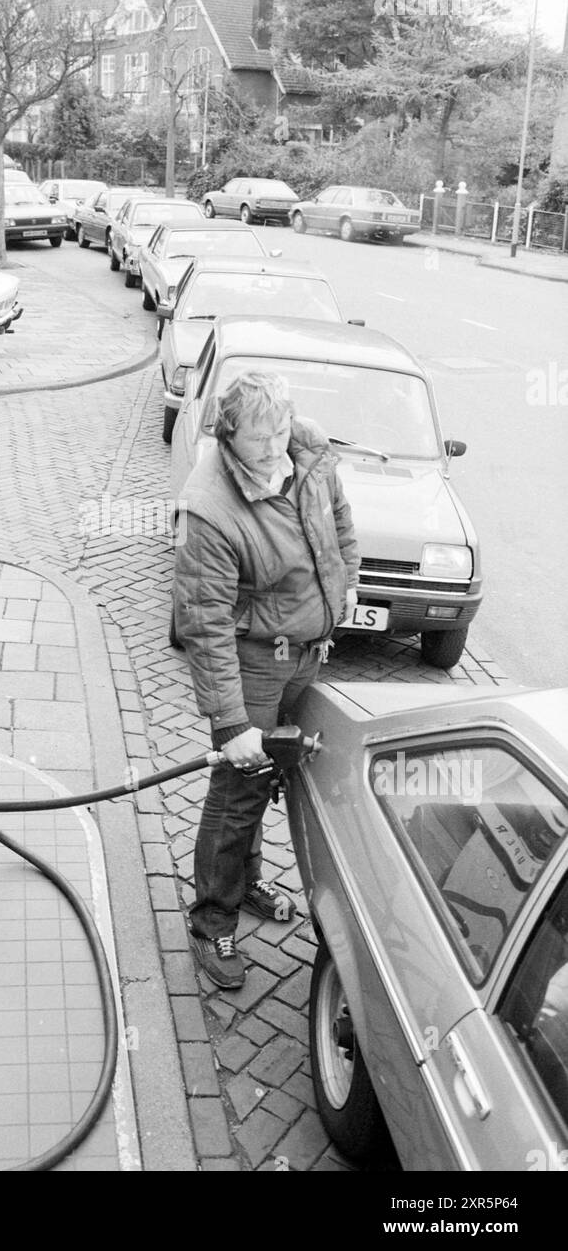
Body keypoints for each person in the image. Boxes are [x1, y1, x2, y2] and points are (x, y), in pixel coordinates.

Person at [173, 370, 360, 989]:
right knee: (239, 787)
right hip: (257, 663)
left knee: (273, 770)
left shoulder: (305, 447)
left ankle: (247, 881)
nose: (275, 447)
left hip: (309, 650)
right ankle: (211, 919)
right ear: (228, 438)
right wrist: (229, 724)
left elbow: (339, 523)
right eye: (259, 440)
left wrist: (347, 585)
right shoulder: (211, 509)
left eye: (281, 430)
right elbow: (205, 624)